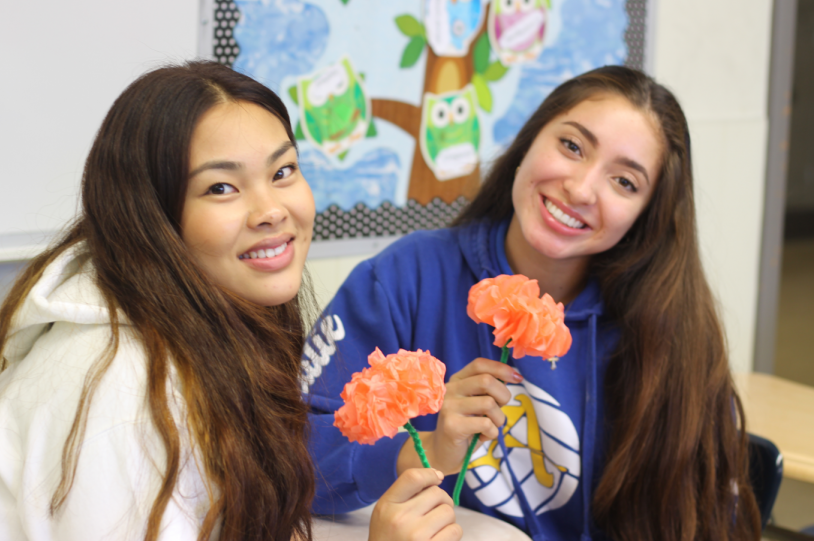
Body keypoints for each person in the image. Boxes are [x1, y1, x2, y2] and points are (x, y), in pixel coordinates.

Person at [0, 61, 461, 541]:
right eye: (221, 187)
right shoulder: (119, 388)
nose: (271, 210)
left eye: (283, 172)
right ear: (154, 218)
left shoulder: (208, 333)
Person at [303, 66, 762, 541]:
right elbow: (288, 453)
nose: (581, 189)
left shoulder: (676, 340)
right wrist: (425, 448)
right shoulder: (401, 280)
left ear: (646, 217)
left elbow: (708, 520)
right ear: (527, 142)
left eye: (625, 182)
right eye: (572, 146)